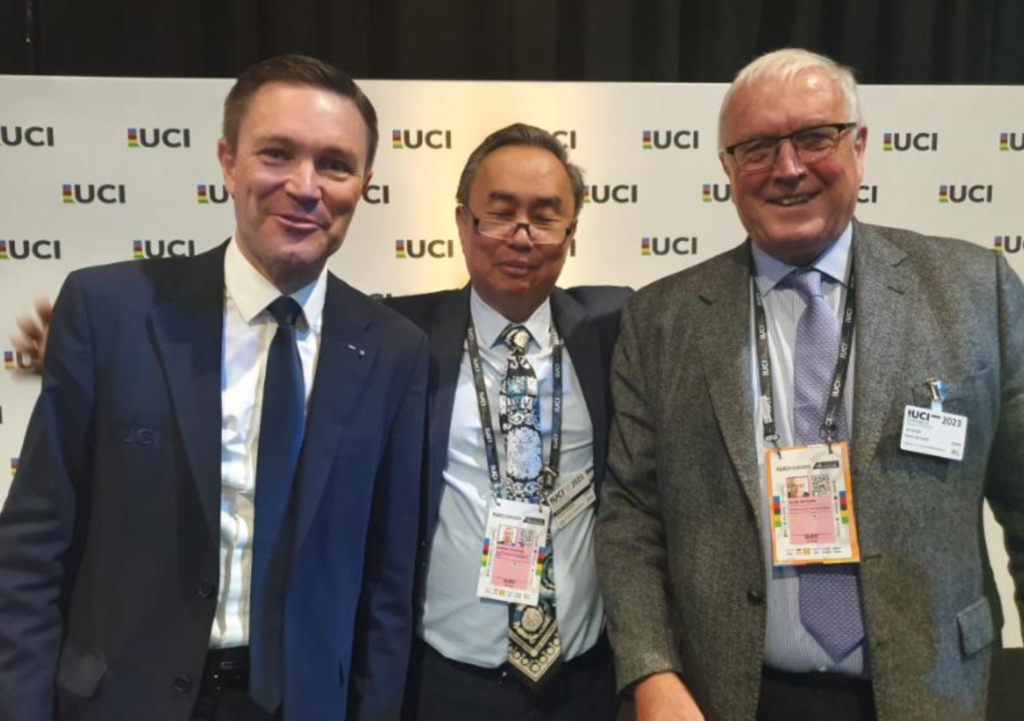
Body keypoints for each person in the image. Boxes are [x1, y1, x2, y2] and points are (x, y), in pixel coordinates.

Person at [595, 48, 1024, 721]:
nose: (788, 167)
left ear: (859, 145)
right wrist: (651, 669)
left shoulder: (976, 292)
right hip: (725, 696)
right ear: (727, 169)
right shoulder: (661, 319)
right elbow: (630, 515)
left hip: (934, 690)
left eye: (814, 137)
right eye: (758, 146)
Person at [0, 55, 428, 721]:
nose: (305, 185)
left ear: (364, 183)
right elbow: (30, 554)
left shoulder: (395, 349)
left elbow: (388, 589)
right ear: (228, 162)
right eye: (277, 154)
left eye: (335, 164)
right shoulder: (109, 311)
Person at [386, 123, 629, 721]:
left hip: (584, 683)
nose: (522, 237)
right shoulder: (401, 339)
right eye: (500, 214)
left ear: (571, 234)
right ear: (464, 222)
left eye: (546, 217)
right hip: (445, 684)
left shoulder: (615, 331)